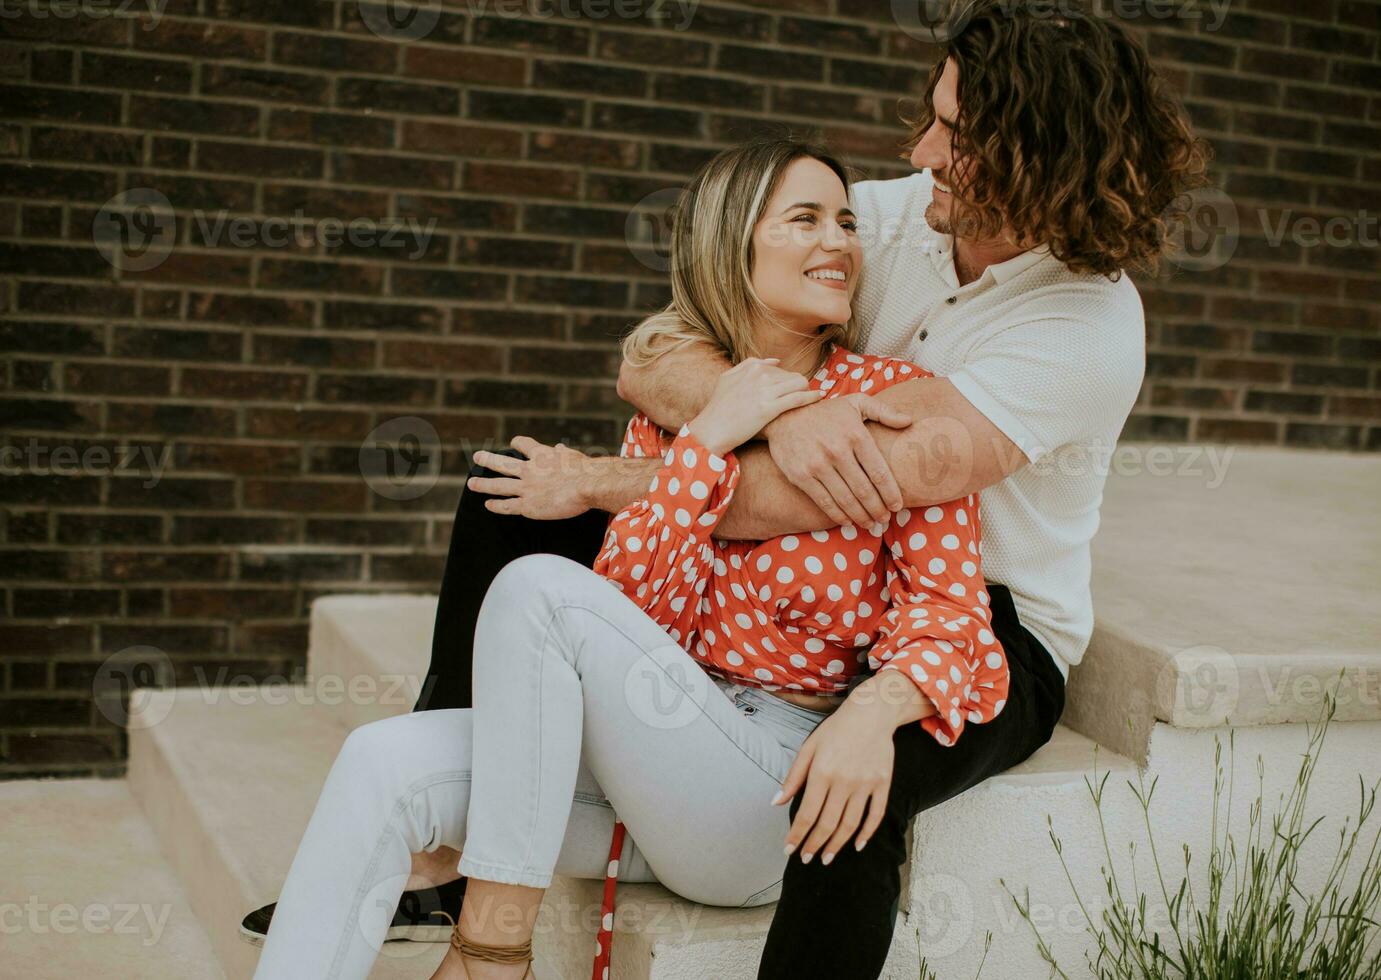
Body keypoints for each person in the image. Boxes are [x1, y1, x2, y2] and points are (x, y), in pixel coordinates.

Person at [243, 3, 1208, 976]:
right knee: (507, 499)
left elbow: (823, 496)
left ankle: (497, 931)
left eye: (952, 134)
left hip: (988, 618)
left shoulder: (1086, 326)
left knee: (854, 803)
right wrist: (771, 412)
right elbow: (659, 349)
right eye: (931, 117)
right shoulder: (888, 214)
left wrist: (633, 477)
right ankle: (464, 844)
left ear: (1029, 156)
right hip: (770, 602)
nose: (918, 150)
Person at [247, 137, 1012, 980]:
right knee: (380, 761)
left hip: (768, 792)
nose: (837, 242)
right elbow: (640, 616)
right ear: (731, 244)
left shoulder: (890, 400)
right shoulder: (680, 408)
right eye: (804, 220)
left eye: (843, 222)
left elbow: (949, 616)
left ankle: (492, 948)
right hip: (653, 748)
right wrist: (712, 437)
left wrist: (875, 712)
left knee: (542, 588)